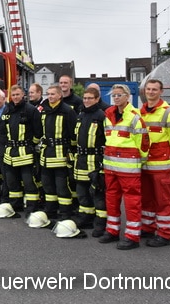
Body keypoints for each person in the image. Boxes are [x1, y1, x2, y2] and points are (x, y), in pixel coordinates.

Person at [99, 84, 149, 250]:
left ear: (128, 97)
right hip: (111, 168)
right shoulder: (108, 115)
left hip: (128, 169)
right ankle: (112, 231)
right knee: (111, 200)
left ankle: (132, 236)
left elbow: (144, 144)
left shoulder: (134, 117)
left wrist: (137, 163)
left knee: (132, 202)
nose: (117, 98)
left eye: (120, 95)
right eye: (114, 95)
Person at [140, 79, 170, 247]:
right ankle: (148, 227)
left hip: (161, 165)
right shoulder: (140, 112)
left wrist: (169, 154)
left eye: (154, 89)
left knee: (163, 199)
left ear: (161, 92)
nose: (151, 92)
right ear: (145, 91)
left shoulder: (169, 113)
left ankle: (165, 234)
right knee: (147, 198)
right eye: (148, 89)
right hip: (144, 164)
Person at [38, 84, 77, 220]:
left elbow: (73, 134)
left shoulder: (68, 111)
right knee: (47, 185)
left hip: (61, 154)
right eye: (48, 94)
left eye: (53, 94)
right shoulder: (44, 110)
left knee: (62, 186)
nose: (50, 96)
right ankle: (51, 211)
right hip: (46, 153)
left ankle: (66, 212)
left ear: (60, 95)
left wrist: (71, 151)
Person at [2, 85, 43, 214]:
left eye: (17, 95)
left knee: (28, 181)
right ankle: (15, 205)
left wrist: (31, 145)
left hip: (25, 152)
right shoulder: (7, 110)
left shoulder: (31, 110)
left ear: (23, 95)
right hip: (10, 152)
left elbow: (38, 132)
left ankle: (32, 207)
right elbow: (3, 129)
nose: (15, 97)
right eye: (13, 95)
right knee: (12, 182)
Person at [73, 86, 106, 236]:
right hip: (80, 160)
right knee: (82, 192)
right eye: (85, 98)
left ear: (97, 99)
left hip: (96, 160)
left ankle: (100, 223)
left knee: (97, 193)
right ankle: (86, 217)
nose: (86, 101)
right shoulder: (80, 115)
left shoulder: (101, 116)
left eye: (90, 98)